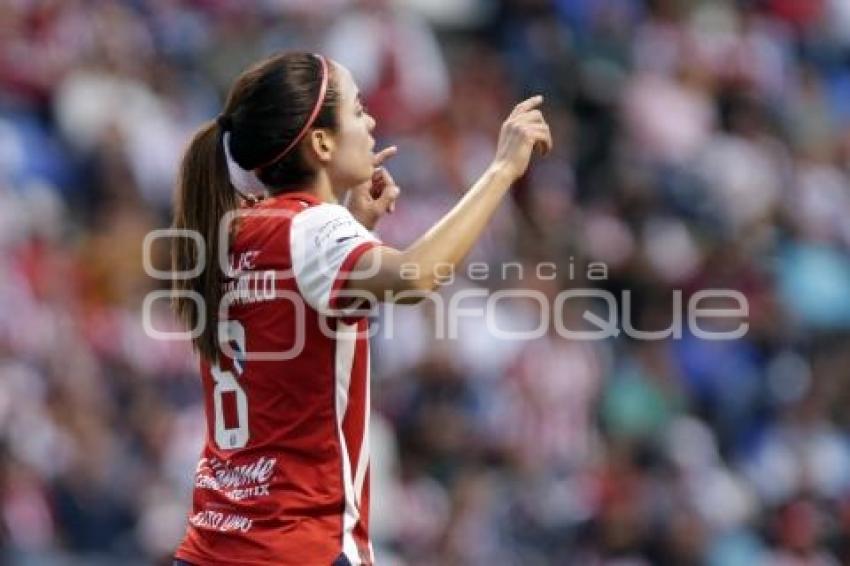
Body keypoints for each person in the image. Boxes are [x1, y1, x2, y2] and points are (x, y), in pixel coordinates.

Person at [170, 51, 551, 566]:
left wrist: (357, 229)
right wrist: (503, 169)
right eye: (357, 109)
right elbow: (417, 276)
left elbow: (290, 323)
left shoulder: (235, 231)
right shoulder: (313, 228)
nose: (370, 122)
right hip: (301, 543)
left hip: (213, 545)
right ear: (321, 142)